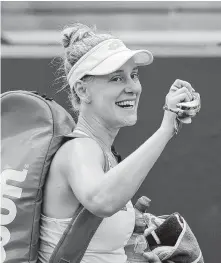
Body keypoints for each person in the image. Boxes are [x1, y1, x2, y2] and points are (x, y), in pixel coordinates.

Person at [38, 23, 200, 263]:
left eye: (133, 75)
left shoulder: (104, 154)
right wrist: (166, 129)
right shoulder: (78, 149)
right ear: (82, 91)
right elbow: (102, 201)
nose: (132, 87)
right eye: (116, 78)